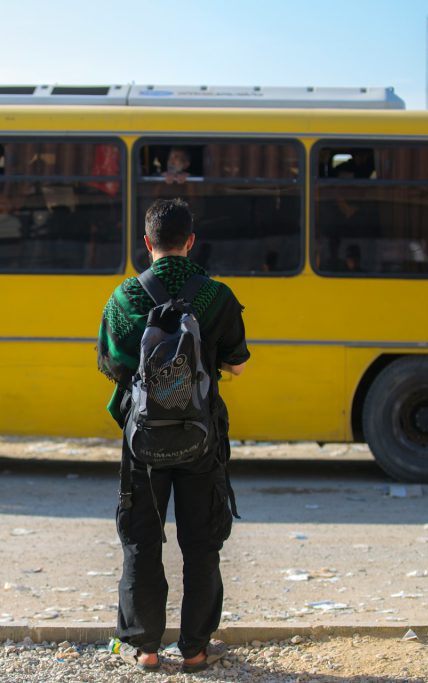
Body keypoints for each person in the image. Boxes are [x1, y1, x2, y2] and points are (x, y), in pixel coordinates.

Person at [97, 198, 249, 674]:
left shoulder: (124, 298)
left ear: (147, 244)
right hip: (202, 436)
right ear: (191, 242)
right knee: (201, 542)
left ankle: (145, 648)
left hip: (143, 439)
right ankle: (196, 649)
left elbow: (110, 365)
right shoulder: (217, 296)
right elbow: (238, 363)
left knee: (143, 540)